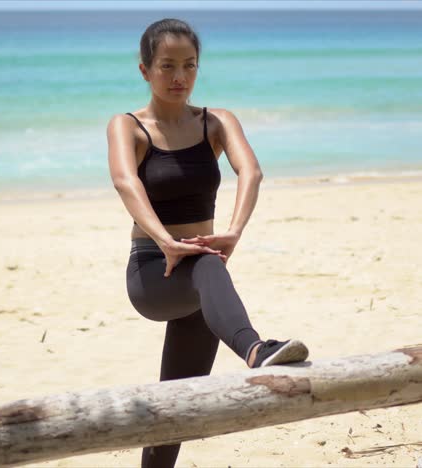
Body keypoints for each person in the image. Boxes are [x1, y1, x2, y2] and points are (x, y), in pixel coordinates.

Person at [106, 17, 309, 468]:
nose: (179, 77)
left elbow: (251, 172)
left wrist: (234, 231)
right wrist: (166, 241)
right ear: (144, 70)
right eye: (166, 66)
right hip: (154, 271)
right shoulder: (127, 126)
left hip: (204, 284)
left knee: (174, 408)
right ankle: (256, 350)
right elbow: (125, 182)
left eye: (189, 65)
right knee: (208, 263)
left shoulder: (216, 122)